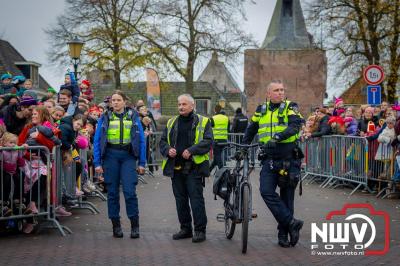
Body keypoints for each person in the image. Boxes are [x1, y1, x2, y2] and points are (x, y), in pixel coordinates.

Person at [241, 80, 304, 248]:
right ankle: (291, 222)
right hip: (269, 158)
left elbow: (294, 127)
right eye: (276, 90)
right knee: (266, 191)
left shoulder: (291, 107)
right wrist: (244, 147)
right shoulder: (261, 110)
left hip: (288, 158)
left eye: (282, 90)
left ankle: (283, 235)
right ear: (268, 94)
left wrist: (276, 138)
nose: (280, 93)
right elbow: (251, 129)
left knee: (287, 198)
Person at [159, 94, 213, 243]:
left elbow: (208, 141)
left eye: (184, 104)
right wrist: (168, 149)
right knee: (180, 200)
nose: (181, 107)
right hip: (175, 167)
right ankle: (186, 229)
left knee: (196, 200)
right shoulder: (171, 122)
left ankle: (200, 231)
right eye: (179, 104)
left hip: (194, 167)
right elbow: (162, 141)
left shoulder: (203, 121)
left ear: (192, 105)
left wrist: (192, 150)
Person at [93, 90, 146, 239]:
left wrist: (142, 162)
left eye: (118, 100)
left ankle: (135, 226)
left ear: (124, 102)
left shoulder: (134, 117)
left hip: (128, 157)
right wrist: (97, 163)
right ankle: (116, 226)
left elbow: (142, 140)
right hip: (110, 156)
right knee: (112, 193)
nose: (115, 102)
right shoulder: (104, 118)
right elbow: (97, 141)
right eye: (113, 100)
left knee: (130, 191)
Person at [209, 104, 229, 172]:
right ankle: (209, 170)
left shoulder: (213, 118)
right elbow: (228, 129)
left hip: (216, 140)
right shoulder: (226, 118)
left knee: (217, 156)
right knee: (217, 158)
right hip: (224, 139)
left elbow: (209, 129)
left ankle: (222, 170)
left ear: (215, 110)